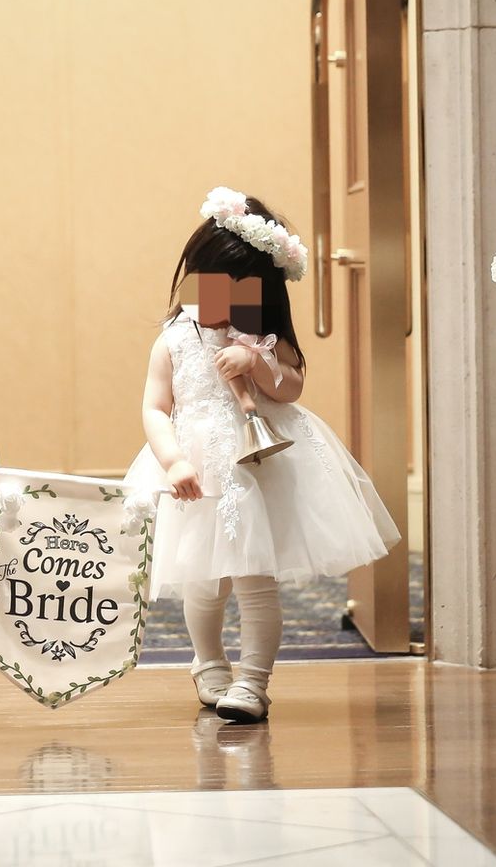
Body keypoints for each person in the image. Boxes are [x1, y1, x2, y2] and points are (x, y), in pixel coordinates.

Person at [124, 187, 400, 722]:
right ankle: (209, 663)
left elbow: (291, 388)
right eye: (209, 282)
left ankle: (253, 681)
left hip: (260, 467)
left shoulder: (264, 336)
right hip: (198, 472)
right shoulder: (174, 339)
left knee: (256, 583)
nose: (219, 298)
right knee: (204, 583)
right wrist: (173, 460)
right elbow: (155, 407)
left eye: (237, 288)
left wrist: (257, 360)